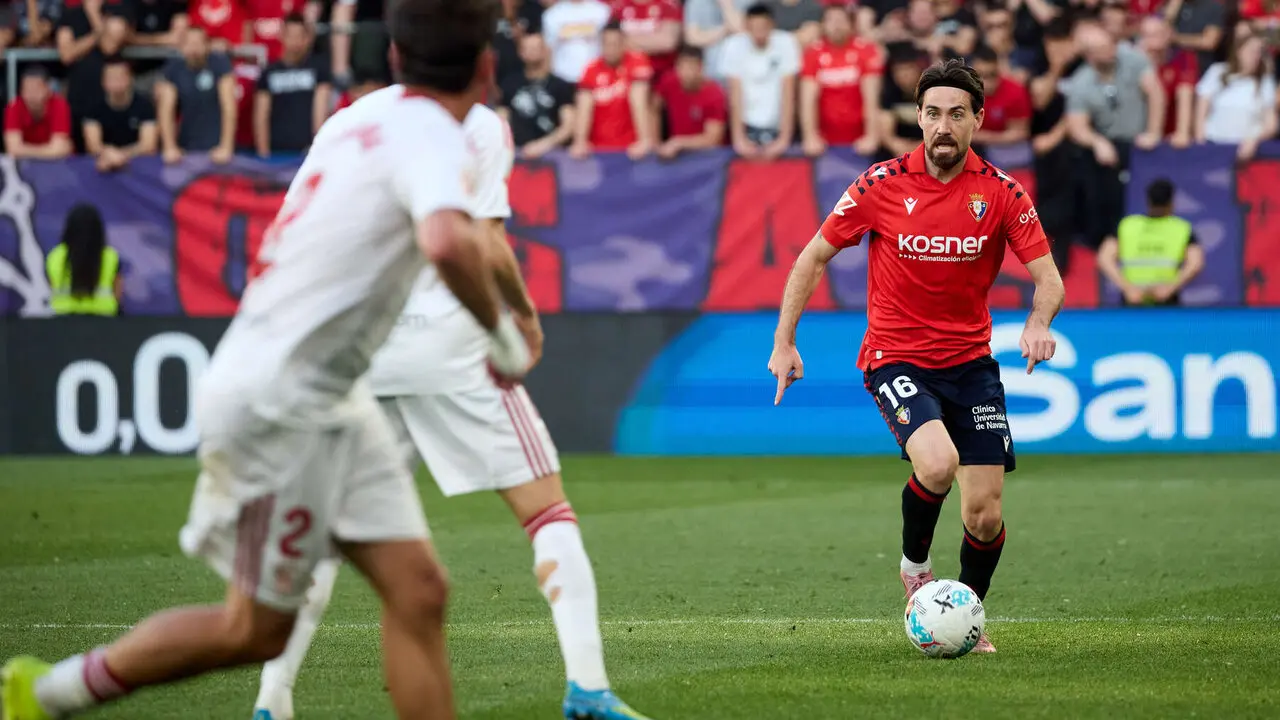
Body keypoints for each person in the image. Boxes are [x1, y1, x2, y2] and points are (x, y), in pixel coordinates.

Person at [1, 3, 529, 720]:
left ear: (396, 61)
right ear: (488, 68)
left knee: (418, 591)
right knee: (251, 628)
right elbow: (446, 241)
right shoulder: (436, 133)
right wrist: (500, 335)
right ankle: (46, 694)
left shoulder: (357, 122)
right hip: (282, 401)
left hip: (330, 395)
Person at [251, 103, 652, 720]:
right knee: (546, 509)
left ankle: (271, 700)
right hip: (449, 346)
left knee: (325, 534)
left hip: (364, 347)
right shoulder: (478, 122)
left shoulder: (348, 121)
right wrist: (523, 316)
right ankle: (588, 690)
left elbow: (298, 237)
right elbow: (485, 242)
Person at [768, 58, 1065, 655]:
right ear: (919, 119)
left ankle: (967, 616)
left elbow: (1049, 279)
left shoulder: (1002, 194)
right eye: (932, 114)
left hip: (972, 364)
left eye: (957, 114)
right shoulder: (880, 185)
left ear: (977, 120)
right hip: (895, 356)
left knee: (983, 514)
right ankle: (915, 569)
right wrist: (784, 342)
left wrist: (1038, 321)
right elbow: (812, 257)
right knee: (936, 463)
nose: (943, 127)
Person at [1096, 178, 1204, 306]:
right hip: (1165, 300)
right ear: (1172, 202)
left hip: (1133, 299)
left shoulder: (1128, 225)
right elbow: (1196, 263)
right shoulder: (1181, 228)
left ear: (1148, 200)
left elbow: (1104, 258)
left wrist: (1128, 288)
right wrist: (1170, 288)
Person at [44, 204, 122, 316]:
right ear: (98, 229)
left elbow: (51, 287)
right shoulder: (110, 256)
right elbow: (117, 292)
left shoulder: (55, 255)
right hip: (103, 323)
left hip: (62, 322)